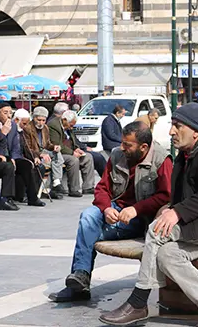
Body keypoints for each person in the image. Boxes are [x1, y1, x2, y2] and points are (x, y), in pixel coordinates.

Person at [100, 104, 198, 327]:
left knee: (156, 230)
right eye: (173, 125)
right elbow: (184, 195)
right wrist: (169, 208)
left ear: (195, 131)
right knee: (167, 255)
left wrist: (177, 212)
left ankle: (138, 303)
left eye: (177, 126)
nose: (171, 131)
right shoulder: (187, 154)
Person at [49, 121, 172, 303]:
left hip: (142, 219)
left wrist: (136, 210)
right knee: (88, 216)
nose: (122, 148)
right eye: (122, 142)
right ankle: (81, 275)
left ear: (143, 147)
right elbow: (102, 188)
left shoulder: (162, 159)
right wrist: (106, 208)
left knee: (89, 232)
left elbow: (166, 196)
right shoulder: (116, 155)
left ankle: (80, 282)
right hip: (116, 211)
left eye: (127, 145)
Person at [48, 110, 95, 197]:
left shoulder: (68, 128)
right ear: (65, 120)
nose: (72, 127)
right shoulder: (54, 126)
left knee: (88, 157)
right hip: (58, 153)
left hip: (69, 150)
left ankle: (88, 187)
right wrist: (72, 153)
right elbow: (57, 144)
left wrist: (77, 148)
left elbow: (73, 140)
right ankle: (74, 189)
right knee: (73, 160)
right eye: (71, 125)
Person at [12, 109, 46, 207]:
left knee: (38, 166)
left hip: (21, 157)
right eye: (24, 123)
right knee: (27, 165)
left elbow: (27, 148)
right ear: (16, 120)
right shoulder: (10, 130)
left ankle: (31, 196)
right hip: (12, 158)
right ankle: (30, 196)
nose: (25, 126)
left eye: (27, 123)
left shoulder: (21, 132)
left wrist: (35, 156)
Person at [31, 106, 65, 200]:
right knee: (55, 159)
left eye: (43, 120)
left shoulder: (45, 128)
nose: (41, 122)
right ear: (34, 118)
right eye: (39, 120)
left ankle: (56, 182)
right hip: (35, 153)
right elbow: (28, 147)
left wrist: (54, 147)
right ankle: (56, 182)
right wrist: (40, 154)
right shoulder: (29, 128)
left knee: (56, 153)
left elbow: (47, 144)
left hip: (44, 150)